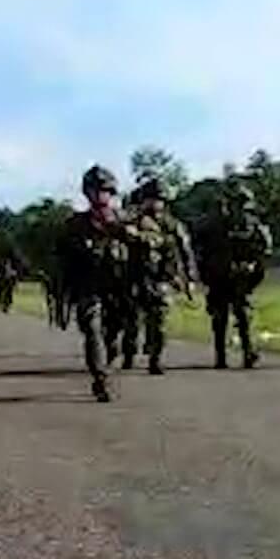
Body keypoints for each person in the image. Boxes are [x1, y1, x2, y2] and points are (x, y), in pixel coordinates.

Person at [55, 165, 144, 402]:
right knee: (92, 330)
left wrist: (126, 233)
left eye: (104, 190)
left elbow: (149, 246)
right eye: (94, 191)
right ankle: (101, 378)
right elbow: (63, 262)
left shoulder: (126, 220)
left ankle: (107, 361)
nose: (99, 195)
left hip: (119, 288)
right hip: (88, 286)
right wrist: (63, 294)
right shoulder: (75, 225)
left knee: (113, 337)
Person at [192, 181, 272, 369]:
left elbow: (264, 249)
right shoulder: (214, 222)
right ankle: (225, 356)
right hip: (221, 275)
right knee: (224, 317)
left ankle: (244, 352)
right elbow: (198, 244)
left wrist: (252, 266)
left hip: (237, 276)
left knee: (239, 315)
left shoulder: (251, 224)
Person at [119, 178, 196, 375]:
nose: (155, 203)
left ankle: (155, 359)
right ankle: (128, 354)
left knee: (158, 322)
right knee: (131, 322)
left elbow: (185, 251)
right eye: (151, 199)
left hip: (160, 279)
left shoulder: (172, 224)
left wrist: (190, 279)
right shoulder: (131, 220)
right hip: (134, 277)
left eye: (158, 199)